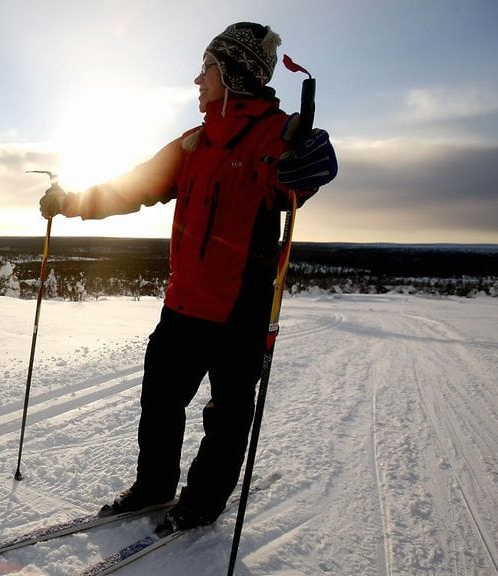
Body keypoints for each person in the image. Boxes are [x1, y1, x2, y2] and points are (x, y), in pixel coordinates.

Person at [39, 22, 337, 534]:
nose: (198, 80)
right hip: (182, 305)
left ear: (234, 74)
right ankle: (154, 486)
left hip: (240, 311)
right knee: (159, 403)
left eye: (207, 68)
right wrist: (69, 202)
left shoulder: (275, 134)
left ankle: (202, 502)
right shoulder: (193, 143)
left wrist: (313, 165)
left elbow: (292, 176)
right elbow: (131, 187)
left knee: (227, 416)